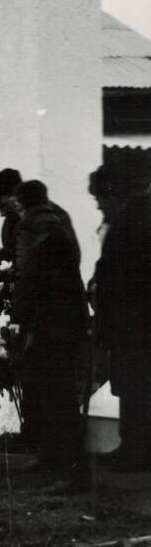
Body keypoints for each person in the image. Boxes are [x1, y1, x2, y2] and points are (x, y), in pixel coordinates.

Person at [9, 179, 89, 492]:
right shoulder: (58, 219)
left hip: (48, 323)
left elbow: (27, 275)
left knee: (55, 396)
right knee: (58, 393)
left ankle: (69, 471)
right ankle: (55, 460)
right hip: (67, 319)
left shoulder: (31, 225)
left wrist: (17, 320)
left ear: (20, 202)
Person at [88, 159, 151, 472]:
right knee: (133, 385)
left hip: (134, 324)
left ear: (116, 195)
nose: (100, 207)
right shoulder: (135, 219)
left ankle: (136, 452)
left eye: (101, 200)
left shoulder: (131, 224)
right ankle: (134, 448)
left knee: (135, 385)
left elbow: (124, 277)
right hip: (134, 323)